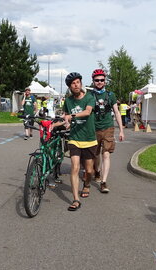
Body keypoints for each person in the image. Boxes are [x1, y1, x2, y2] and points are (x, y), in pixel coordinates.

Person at [63, 72, 97, 211]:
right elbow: (65, 116)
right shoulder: (68, 101)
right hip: (75, 138)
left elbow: (87, 112)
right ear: (70, 87)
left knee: (89, 171)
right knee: (75, 167)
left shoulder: (89, 97)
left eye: (78, 82)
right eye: (73, 83)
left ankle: (87, 185)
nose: (76, 85)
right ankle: (76, 199)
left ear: (81, 83)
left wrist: (71, 116)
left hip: (89, 139)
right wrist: (64, 122)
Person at [90, 69, 125, 193]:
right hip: (93, 128)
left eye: (102, 80)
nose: (99, 82)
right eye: (97, 80)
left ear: (105, 81)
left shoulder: (110, 95)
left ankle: (104, 182)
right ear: (93, 81)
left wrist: (121, 130)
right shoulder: (89, 95)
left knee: (106, 154)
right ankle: (97, 171)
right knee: (95, 154)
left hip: (108, 128)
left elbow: (116, 112)